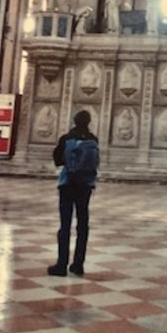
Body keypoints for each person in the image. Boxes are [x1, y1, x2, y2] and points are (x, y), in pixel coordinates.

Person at [48, 110, 99, 277]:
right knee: (83, 224)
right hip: (85, 185)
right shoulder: (93, 140)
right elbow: (96, 162)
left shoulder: (66, 138)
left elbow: (58, 160)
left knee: (65, 224)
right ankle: (78, 264)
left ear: (74, 121)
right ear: (89, 122)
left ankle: (61, 265)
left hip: (67, 184)